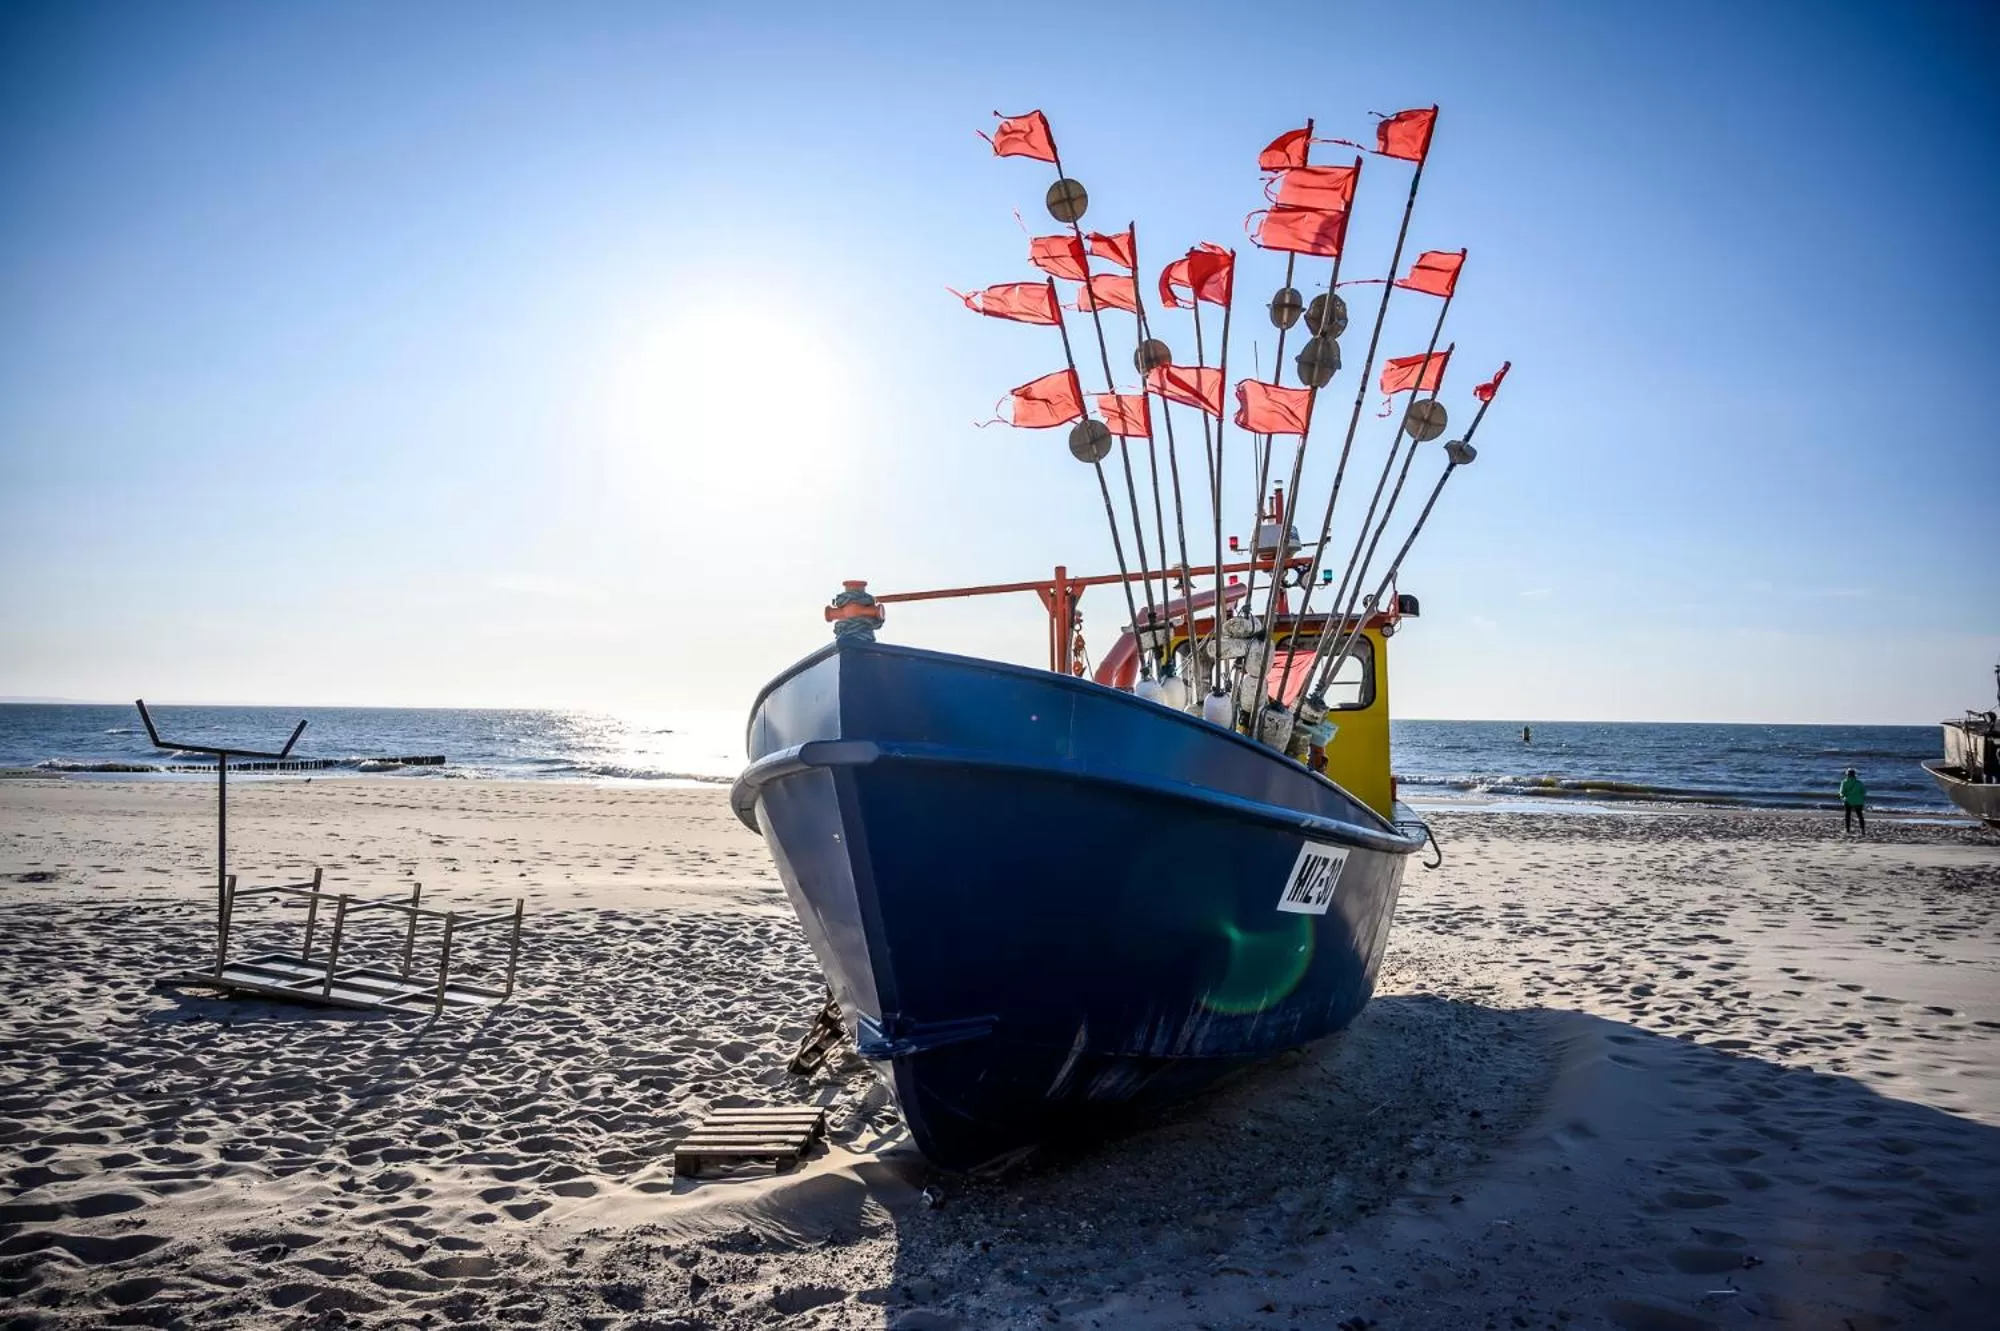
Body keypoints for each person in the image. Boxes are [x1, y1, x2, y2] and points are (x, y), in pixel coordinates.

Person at [1839, 767, 1867, 836]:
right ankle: (1862, 830)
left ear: (1847, 775)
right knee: (1860, 816)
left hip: (1848, 800)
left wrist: (1843, 797)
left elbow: (1841, 792)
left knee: (1847, 815)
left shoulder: (1844, 782)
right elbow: (1863, 792)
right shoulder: (1859, 783)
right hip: (1858, 801)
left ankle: (1847, 830)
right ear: (1854, 775)